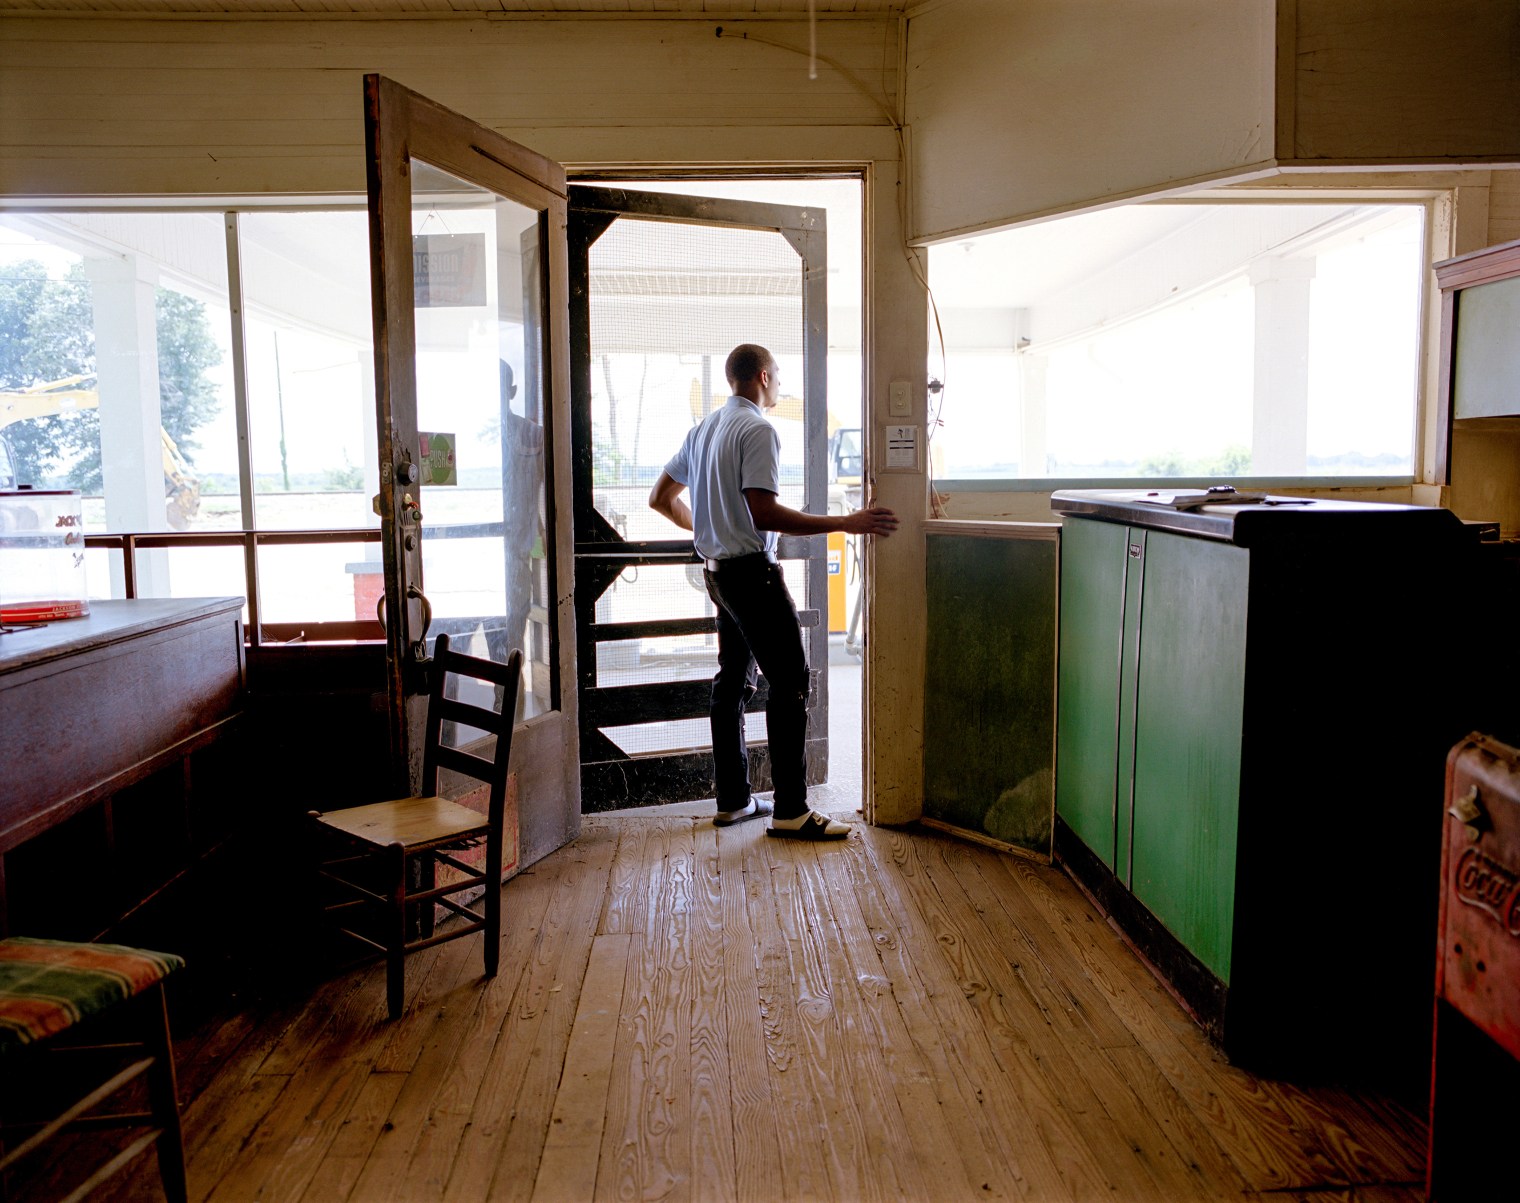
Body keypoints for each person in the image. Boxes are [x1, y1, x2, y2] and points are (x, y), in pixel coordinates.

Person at [649, 343, 899, 839]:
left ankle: (735, 801)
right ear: (763, 376)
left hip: (717, 574)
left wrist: (706, 527)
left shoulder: (703, 430)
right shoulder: (757, 429)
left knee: (733, 682)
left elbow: (659, 498)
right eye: (779, 376)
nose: (781, 385)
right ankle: (790, 810)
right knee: (790, 680)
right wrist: (846, 522)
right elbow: (763, 513)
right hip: (751, 577)